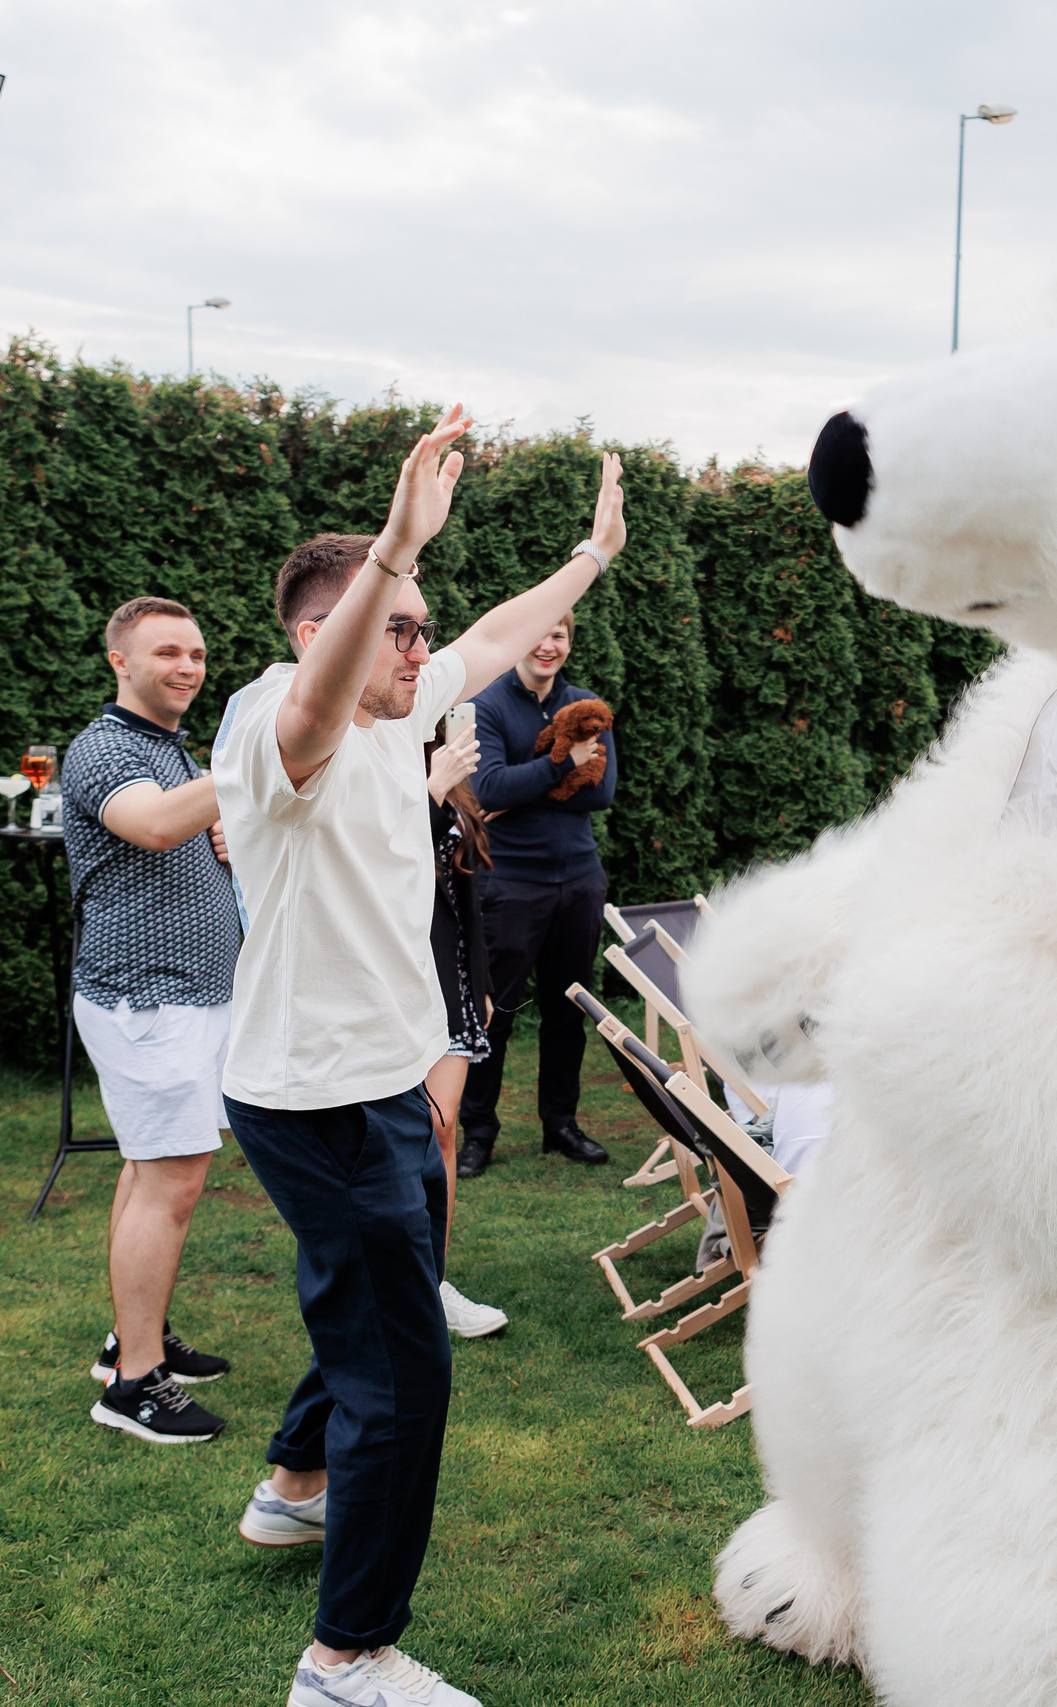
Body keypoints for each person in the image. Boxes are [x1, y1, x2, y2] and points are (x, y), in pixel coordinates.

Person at [213, 406, 622, 1707]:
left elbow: (497, 636)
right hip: (319, 1094)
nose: (420, 640)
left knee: (368, 1304)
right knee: (403, 1364)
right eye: (394, 620)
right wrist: (394, 540)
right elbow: (323, 702)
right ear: (314, 631)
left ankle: (293, 1488)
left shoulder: (401, 710)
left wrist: (590, 557)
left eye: (417, 619)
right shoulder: (280, 716)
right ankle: (345, 1660)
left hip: (369, 1083)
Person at [64, 596, 243, 1445]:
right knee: (171, 1181)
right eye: (167, 650)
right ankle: (134, 1384)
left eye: (198, 653)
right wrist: (246, 767)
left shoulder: (168, 751)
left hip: (185, 996)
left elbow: (197, 830)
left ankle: (131, 1337)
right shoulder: (103, 748)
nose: (187, 665)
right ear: (120, 663)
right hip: (146, 997)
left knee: (150, 1172)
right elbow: (158, 825)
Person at [452, 610, 618, 1178]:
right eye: (539, 633)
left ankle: (561, 1123)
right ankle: (478, 1130)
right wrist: (564, 765)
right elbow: (488, 785)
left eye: (560, 634)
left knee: (566, 1008)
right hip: (511, 882)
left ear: (569, 642)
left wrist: (535, 781)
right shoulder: (487, 704)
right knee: (492, 1010)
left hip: (578, 880)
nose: (548, 645)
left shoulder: (587, 706)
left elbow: (601, 793)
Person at [424, 720, 509, 1337]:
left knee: (441, 1128)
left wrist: (478, 982)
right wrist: (430, 791)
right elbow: (386, 859)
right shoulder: (360, 760)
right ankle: (396, 1278)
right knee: (406, 1133)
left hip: (448, 976)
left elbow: (464, 886)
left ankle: (433, 1279)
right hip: (389, 979)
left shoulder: (448, 770)